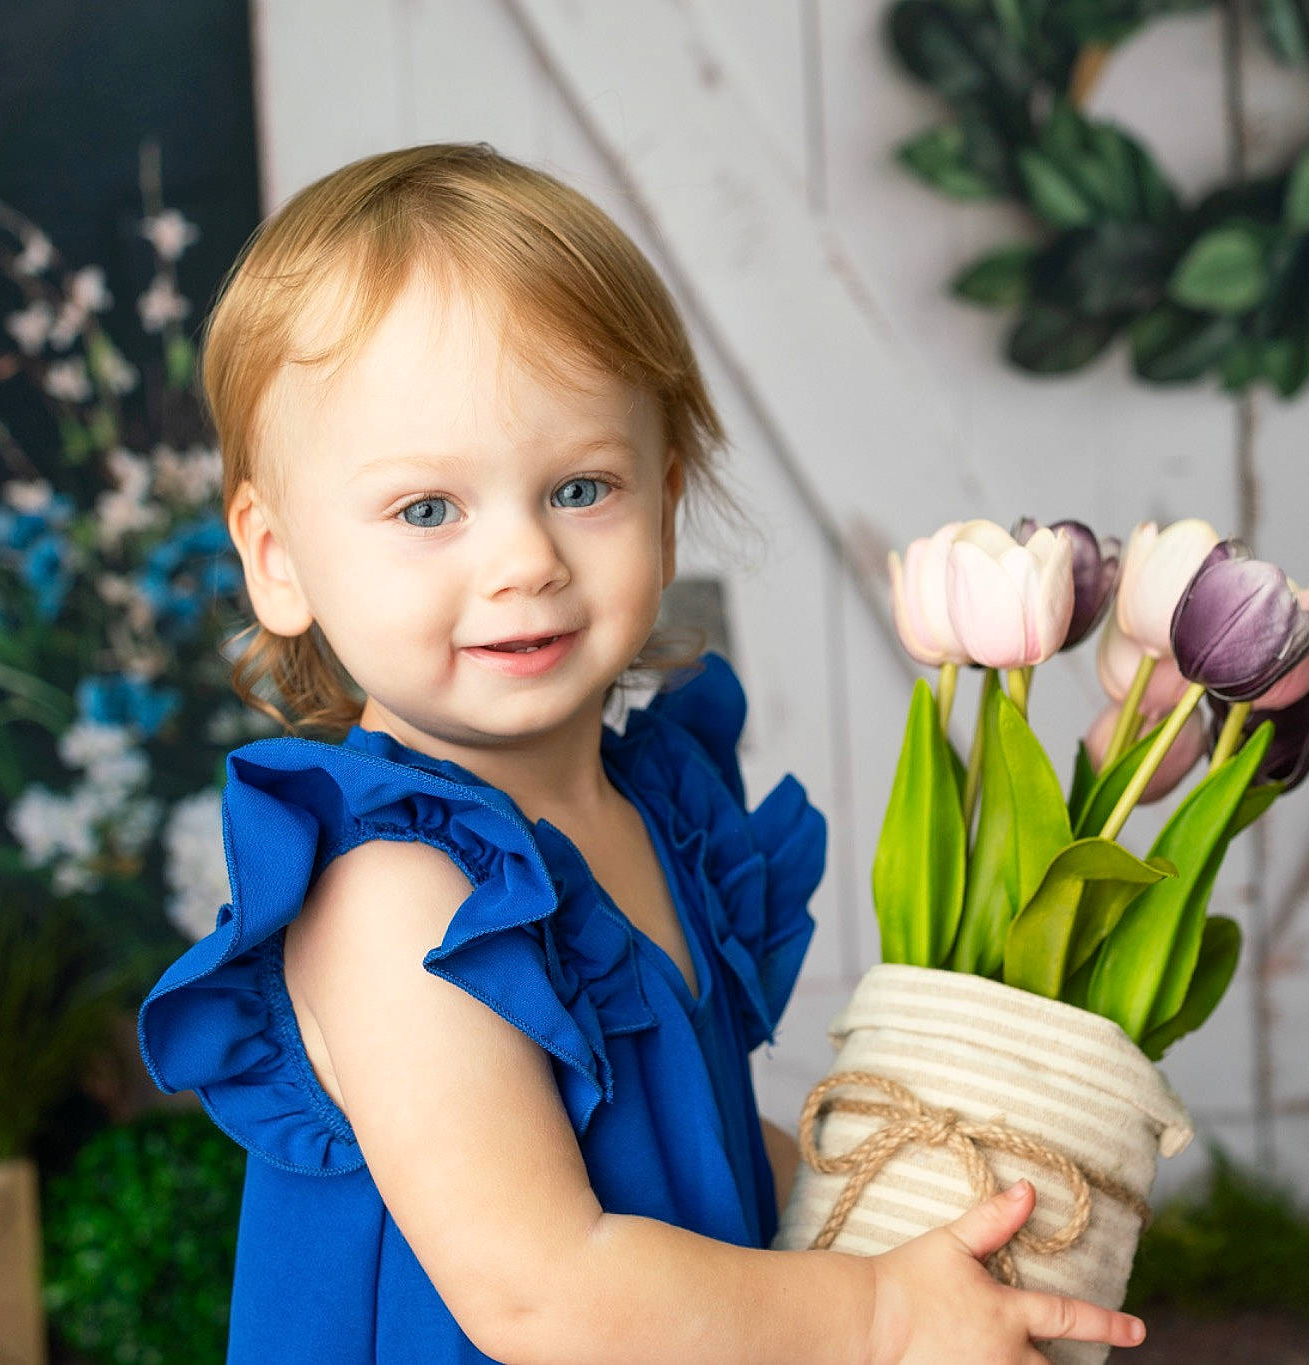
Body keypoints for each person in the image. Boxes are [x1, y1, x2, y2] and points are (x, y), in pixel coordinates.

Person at [136, 142, 1148, 1364]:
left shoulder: (653, 810)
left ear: (665, 505)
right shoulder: (391, 896)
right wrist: (875, 1313)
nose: (523, 562)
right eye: (426, 510)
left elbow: (692, 1154)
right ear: (277, 557)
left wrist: (882, 1222)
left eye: (579, 489)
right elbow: (543, 1290)